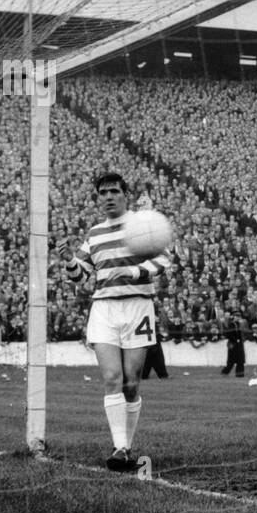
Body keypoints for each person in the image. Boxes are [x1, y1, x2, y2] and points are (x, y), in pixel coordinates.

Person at [58, 172, 172, 470]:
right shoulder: (95, 234)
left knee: (132, 382)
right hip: (104, 309)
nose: (108, 197)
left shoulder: (142, 223)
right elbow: (81, 275)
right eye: (103, 193)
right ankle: (120, 448)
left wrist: (134, 273)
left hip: (137, 306)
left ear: (125, 194)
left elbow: (165, 259)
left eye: (113, 191)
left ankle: (127, 445)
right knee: (112, 379)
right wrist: (70, 260)